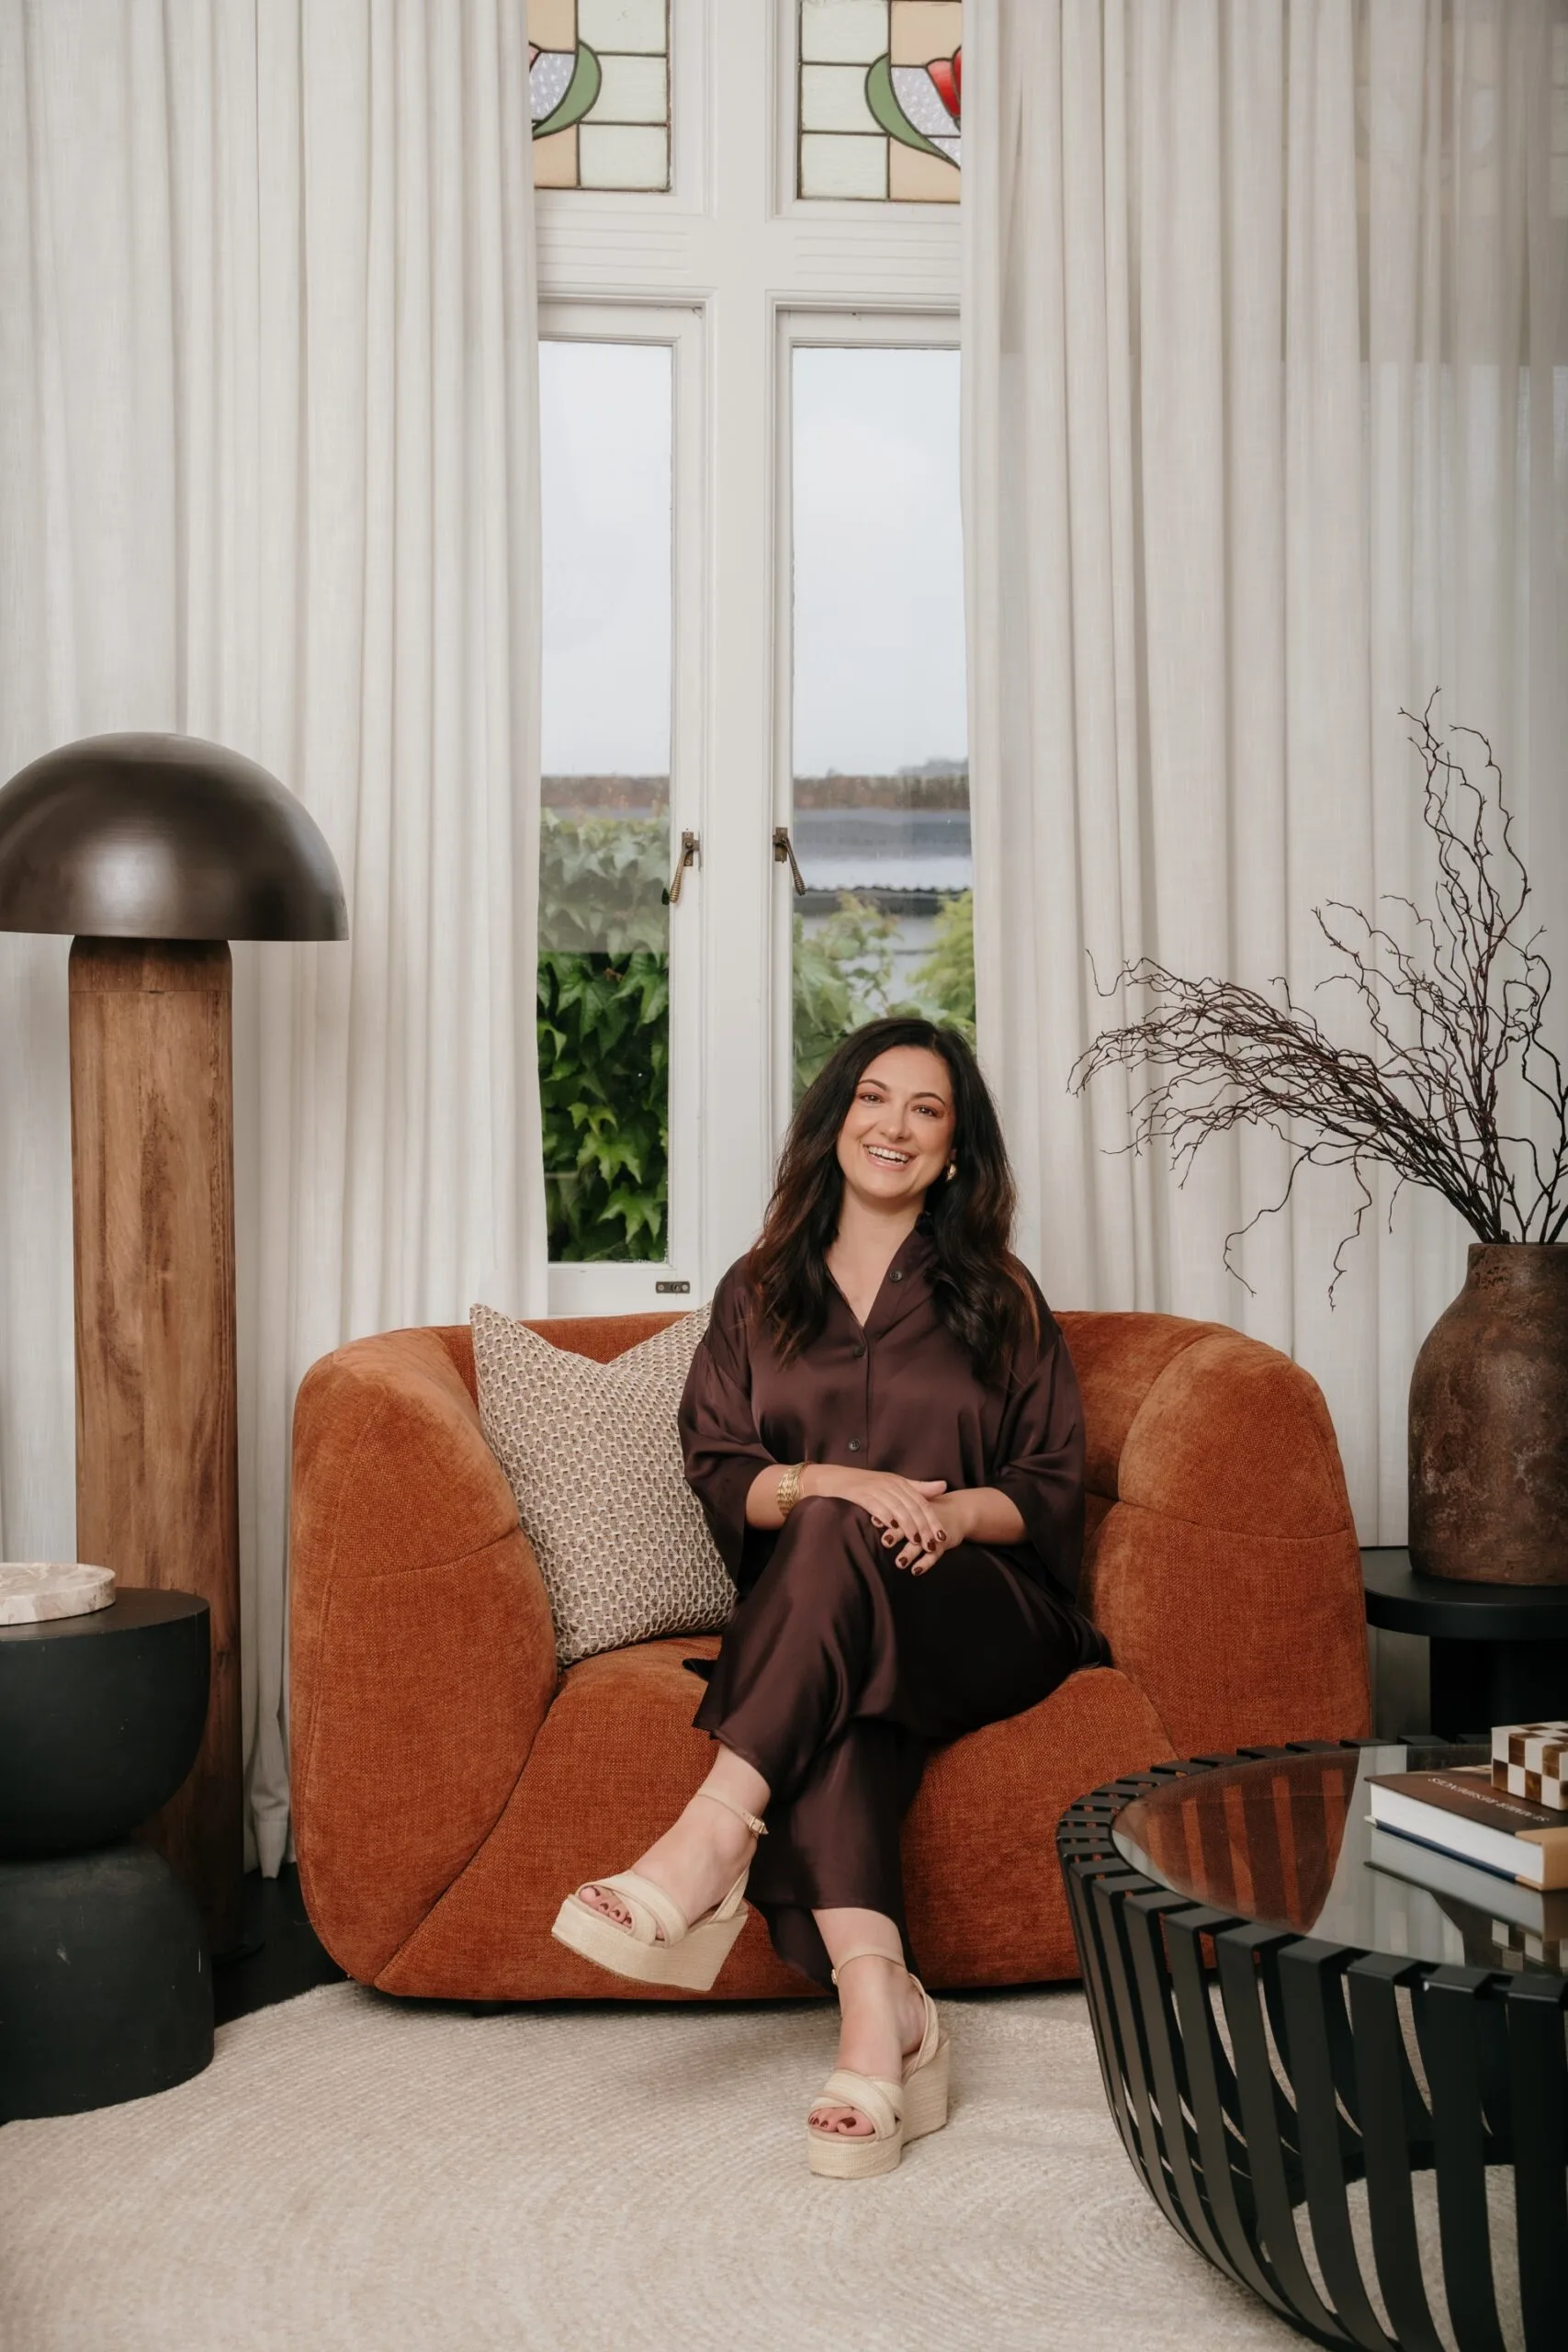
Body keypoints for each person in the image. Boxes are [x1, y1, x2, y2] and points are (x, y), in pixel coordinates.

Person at [552, 1015, 1106, 2178]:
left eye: (926, 1109)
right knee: (833, 1655)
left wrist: (952, 1513)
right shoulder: (757, 1292)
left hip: (984, 1608)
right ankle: (880, 2019)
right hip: (822, 1621)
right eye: (873, 1097)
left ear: (955, 1151)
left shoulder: (1000, 1297)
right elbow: (718, 1467)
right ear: (836, 1118)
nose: (893, 1125)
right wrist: (840, 1482)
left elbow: (1050, 1487)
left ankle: (709, 1838)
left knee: (827, 1561)